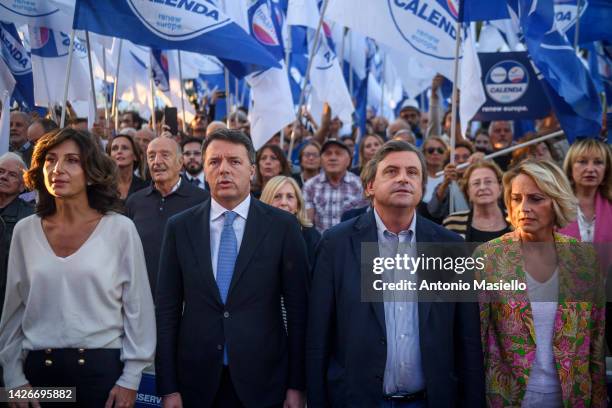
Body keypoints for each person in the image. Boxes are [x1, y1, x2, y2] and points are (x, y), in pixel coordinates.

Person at [307, 140, 485, 407]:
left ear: (422, 187)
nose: (403, 178)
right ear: (370, 186)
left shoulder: (449, 246)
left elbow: (467, 338)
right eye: (391, 171)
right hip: (356, 399)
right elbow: (318, 334)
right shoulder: (336, 244)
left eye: (412, 172)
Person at [0, 128, 156, 407]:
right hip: (37, 377)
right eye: (50, 159)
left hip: (102, 376)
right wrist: (13, 381)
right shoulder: (25, 231)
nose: (58, 169)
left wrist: (131, 379)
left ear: (91, 171)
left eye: (72, 160)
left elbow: (138, 310)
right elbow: (13, 312)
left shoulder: (120, 229)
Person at [156, 129, 309, 407]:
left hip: (265, 382)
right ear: (204, 169)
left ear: (252, 170)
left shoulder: (282, 226)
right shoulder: (180, 227)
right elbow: (166, 310)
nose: (224, 169)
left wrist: (296, 385)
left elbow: (298, 310)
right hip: (196, 382)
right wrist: (168, 387)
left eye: (234, 162)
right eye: (215, 162)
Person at [476, 160, 606, 407]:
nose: (523, 208)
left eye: (536, 199)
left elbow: (596, 339)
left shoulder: (584, 260)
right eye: (516, 198)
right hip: (506, 398)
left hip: (572, 397)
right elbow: (476, 339)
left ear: (556, 201)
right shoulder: (489, 258)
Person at [126, 136, 208, 295]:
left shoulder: (202, 200)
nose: (157, 161)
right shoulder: (134, 202)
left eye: (165, 155)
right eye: (151, 156)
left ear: (180, 162)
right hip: (143, 296)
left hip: (187, 299)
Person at [303, 139, 368, 233]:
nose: (332, 158)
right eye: (328, 153)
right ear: (321, 160)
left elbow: (366, 224)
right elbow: (307, 225)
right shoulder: (310, 186)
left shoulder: (360, 185)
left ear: (349, 160)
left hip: (352, 244)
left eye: (338, 153)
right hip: (321, 244)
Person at [558, 139, 612, 244]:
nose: (590, 169)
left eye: (598, 162)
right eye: (582, 162)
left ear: (606, 170)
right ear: (570, 168)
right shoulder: (556, 206)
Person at [0, 153, 34, 316]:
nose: (3, 177)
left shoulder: (30, 218)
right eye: (0, 171)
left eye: (12, 174)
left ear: (22, 186)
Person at [261, 175, 321, 267]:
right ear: (266, 201)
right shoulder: (254, 233)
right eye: (277, 196)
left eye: (290, 197)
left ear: (298, 205)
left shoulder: (311, 237)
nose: (284, 203)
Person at [443, 161, 511, 242]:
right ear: (468, 191)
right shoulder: (452, 223)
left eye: (488, 182)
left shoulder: (516, 220)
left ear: (500, 188)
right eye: (476, 183)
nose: (482, 187)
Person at [427, 140, 476, 221]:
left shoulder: (479, 182)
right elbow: (433, 210)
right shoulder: (444, 185)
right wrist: (445, 184)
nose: (461, 161)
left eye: (465, 157)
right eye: (456, 158)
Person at [107, 133, 148, 200]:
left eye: (125, 148)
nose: (119, 151)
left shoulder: (146, 188)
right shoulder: (102, 187)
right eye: (115, 148)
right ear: (110, 156)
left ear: (135, 156)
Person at [421, 136, 448, 204]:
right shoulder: (418, 177)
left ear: (445, 154)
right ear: (423, 154)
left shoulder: (450, 178)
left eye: (440, 150)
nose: (435, 153)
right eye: (431, 150)